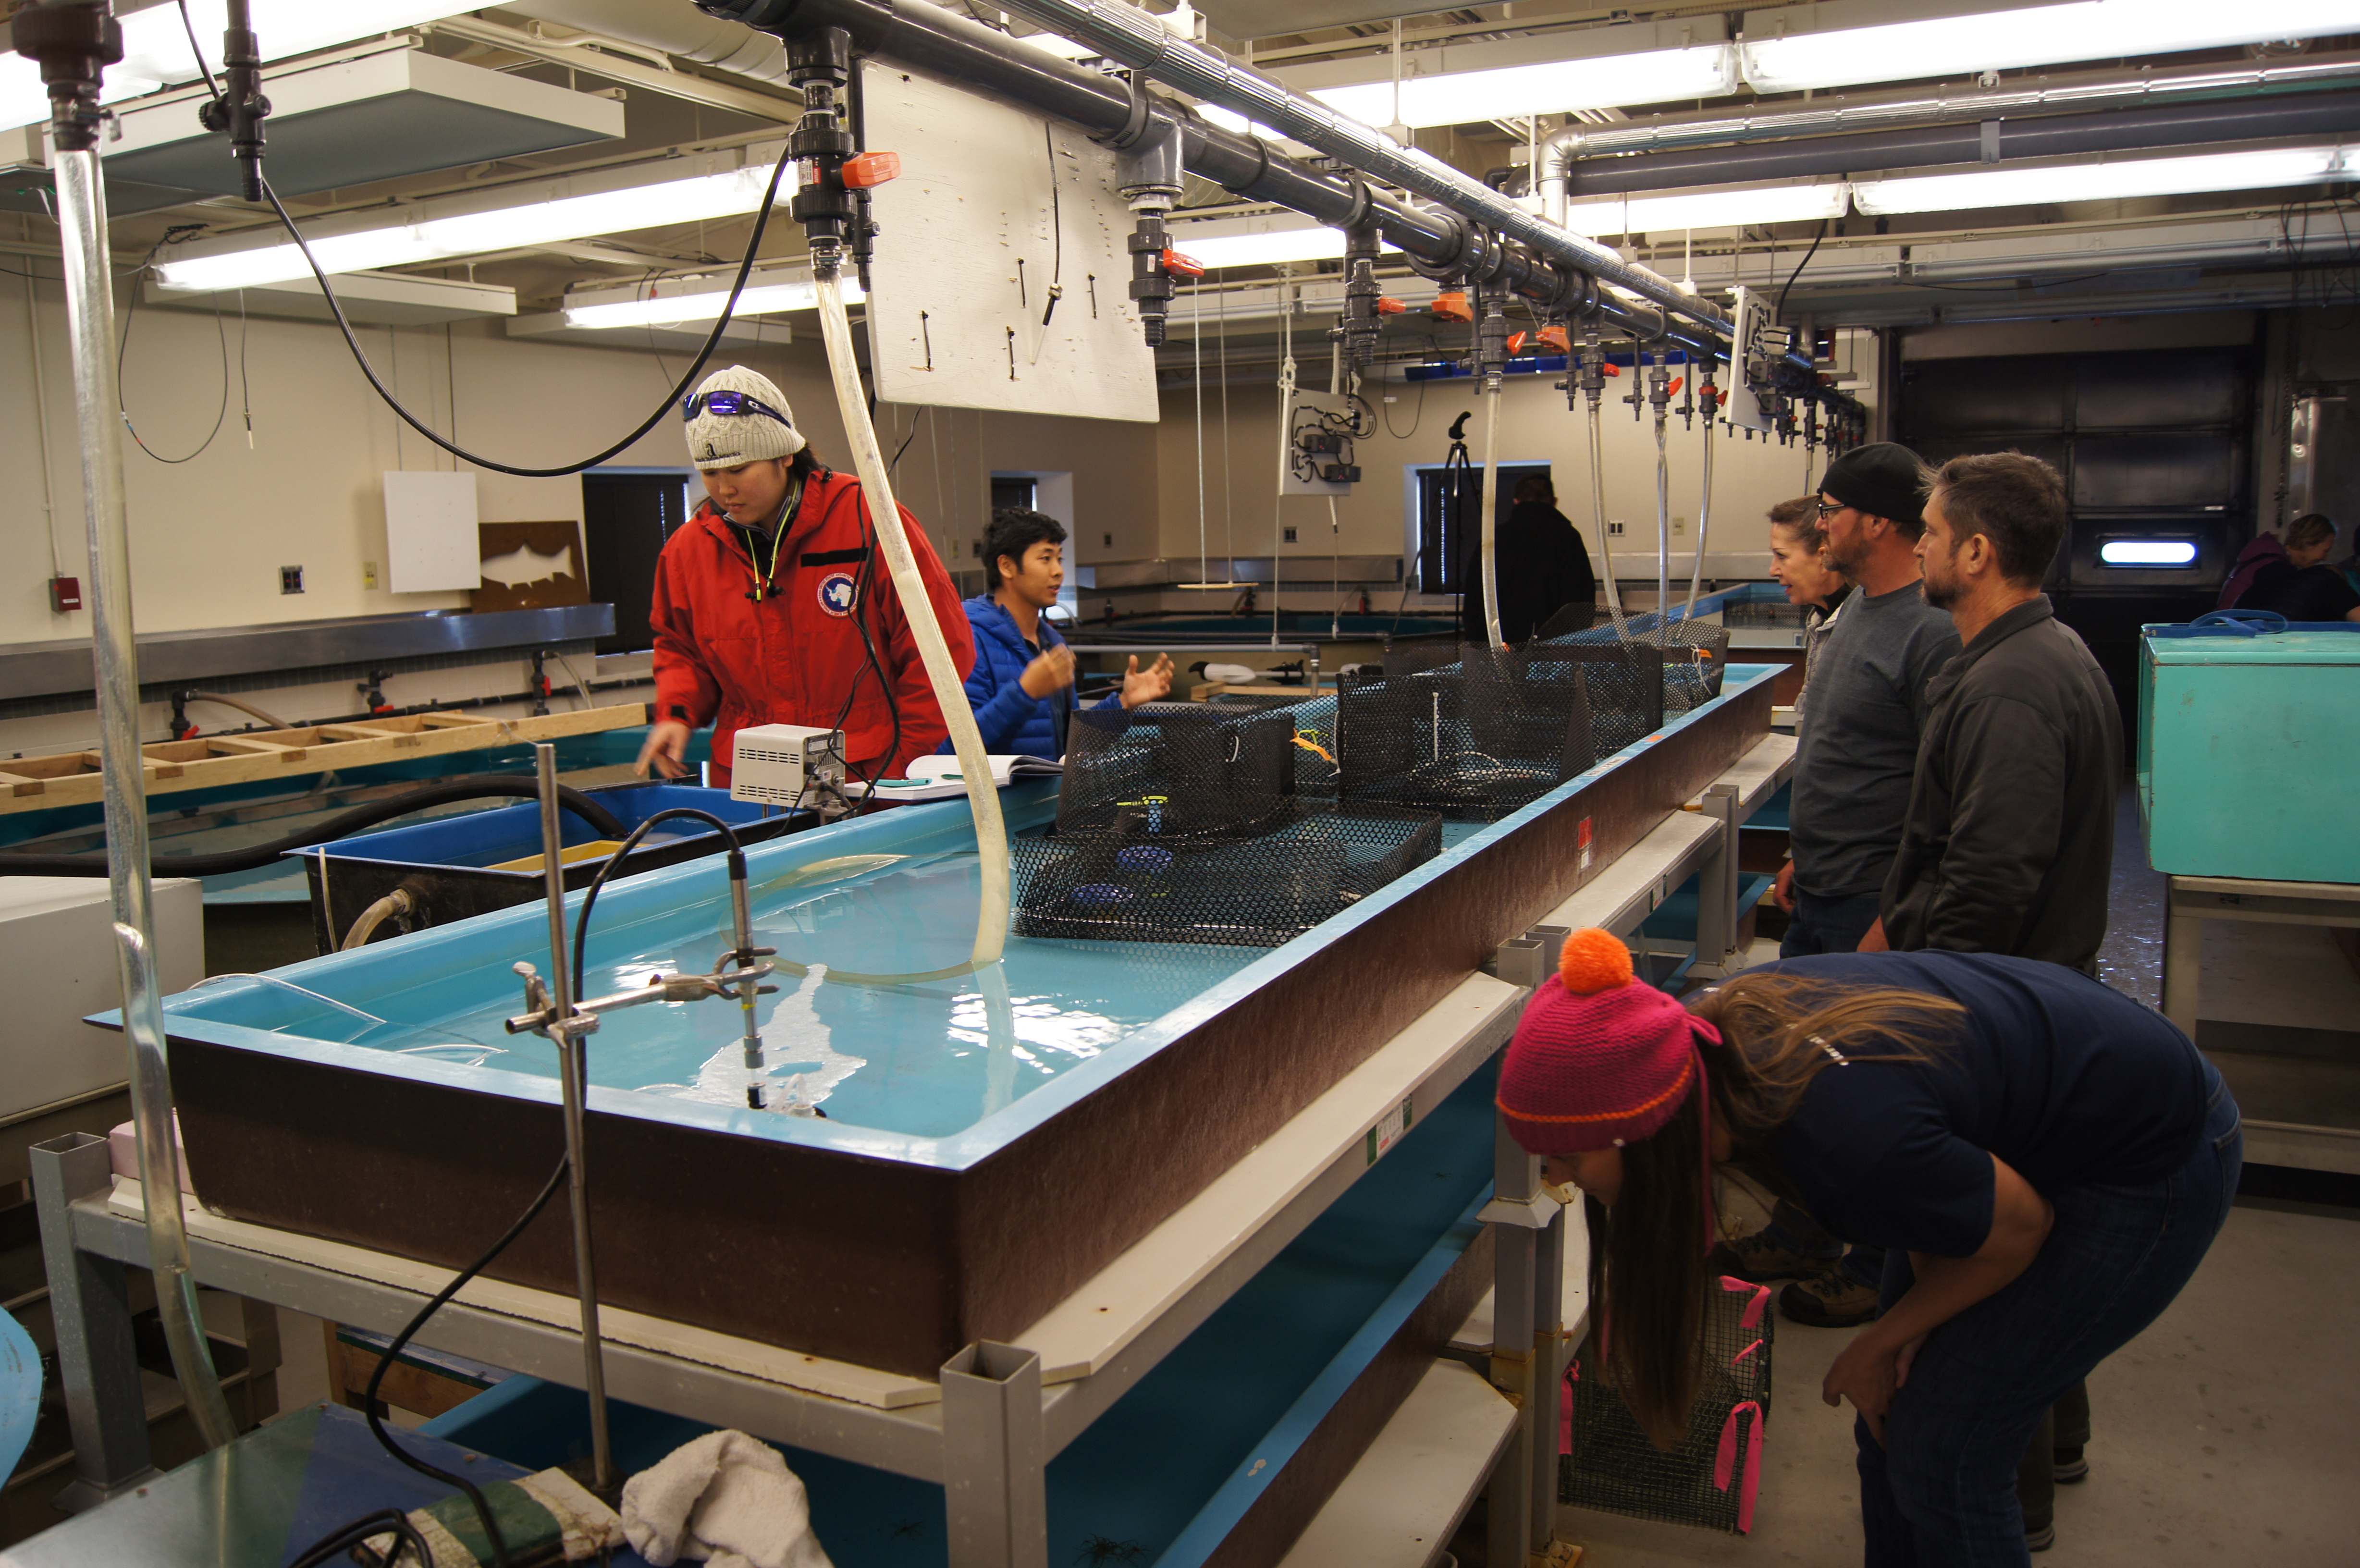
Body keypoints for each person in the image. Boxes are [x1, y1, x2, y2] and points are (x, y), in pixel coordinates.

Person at [1500, 929, 2241, 1568]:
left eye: (1567, 1156)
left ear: (1646, 1134)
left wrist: (1885, 1338)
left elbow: (2016, 1228)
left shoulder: (1844, 1141)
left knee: (1945, 1455)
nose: (1556, 1178)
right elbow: (1934, 1210)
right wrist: (1905, 1340)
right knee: (1892, 1420)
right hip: (2047, 1122)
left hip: (2152, 1161)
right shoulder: (1704, 1049)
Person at [1746, 445, 1960, 1330]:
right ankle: (1808, 1228)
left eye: (1829, 509)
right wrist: (1801, 851)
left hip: (1876, 905)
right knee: (1800, 1078)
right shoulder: (1849, 618)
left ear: (1875, 522)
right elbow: (1842, 756)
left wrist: (1892, 912)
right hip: (1824, 884)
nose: (1817, 523)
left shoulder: (1929, 631)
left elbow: (1939, 789)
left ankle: (1872, 1267)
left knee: (1874, 1089)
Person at [636, 367, 974, 789]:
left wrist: (901, 762)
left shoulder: (871, 521)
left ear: (785, 455)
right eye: (709, 472)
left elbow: (942, 651)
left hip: (865, 771)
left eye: (738, 469)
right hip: (752, 774)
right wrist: (677, 713)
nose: (723, 489)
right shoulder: (689, 551)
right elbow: (681, 650)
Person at [1875, 452, 2121, 969]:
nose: (1918, 548)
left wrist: (1935, 998)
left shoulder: (2009, 688)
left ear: (1975, 553)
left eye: (1931, 533)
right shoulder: (2046, 647)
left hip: (1995, 996)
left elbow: (1986, 887)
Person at [954, 506, 1173, 756]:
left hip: (1049, 795)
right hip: (1002, 797)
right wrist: (1025, 693)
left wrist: (1123, 703)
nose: (1058, 571)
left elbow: (1073, 745)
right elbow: (961, 750)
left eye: (1059, 559)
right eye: (1045, 559)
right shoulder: (971, 638)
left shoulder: (1052, 640)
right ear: (1007, 566)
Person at [1463, 472, 1598, 643]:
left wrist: (1481, 645)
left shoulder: (1494, 538)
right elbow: (1580, 598)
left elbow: (1476, 597)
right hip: (1552, 651)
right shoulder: (1567, 537)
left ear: (1516, 501)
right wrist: (1572, 643)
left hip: (1500, 649)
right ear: (1555, 502)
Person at [1764, 494, 1852, 710]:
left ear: (1824, 557)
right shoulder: (1820, 620)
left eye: (1782, 556)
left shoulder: (1857, 629)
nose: (1773, 570)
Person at [2234, 513, 2360, 622]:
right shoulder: (2276, 569)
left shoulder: (2269, 558)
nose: (2325, 558)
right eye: (2325, 551)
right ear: (2309, 544)